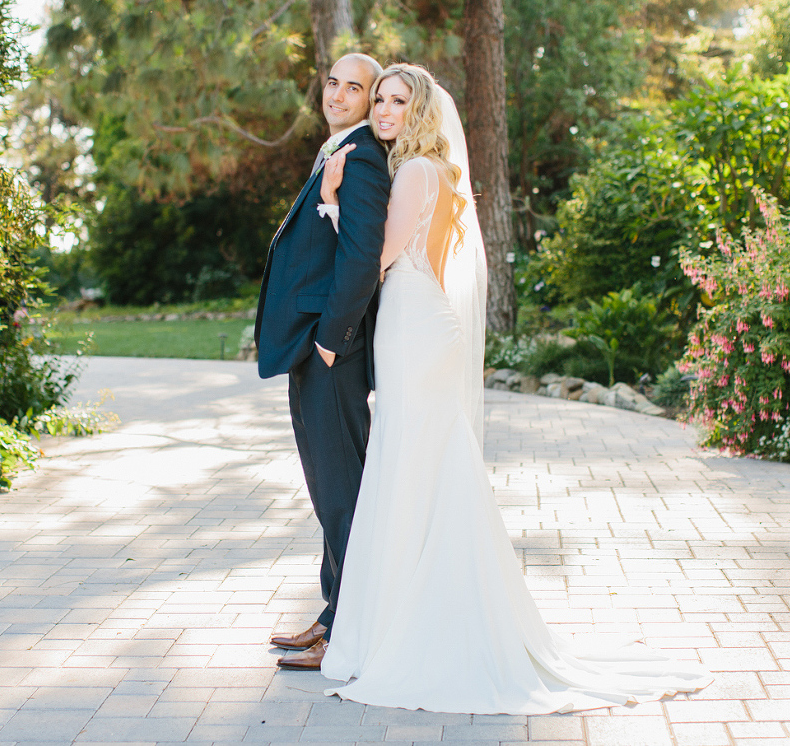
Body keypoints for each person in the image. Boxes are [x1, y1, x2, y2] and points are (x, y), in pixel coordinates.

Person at [286, 63, 711, 713]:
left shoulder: (420, 172)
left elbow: (374, 257)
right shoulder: (425, 171)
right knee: (420, 467)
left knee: (412, 464)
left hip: (414, 328)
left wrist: (335, 199)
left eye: (397, 100)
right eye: (379, 99)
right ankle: (410, 613)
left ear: (421, 110)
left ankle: (417, 627)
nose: (382, 109)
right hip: (414, 325)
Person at [254, 53, 390, 670]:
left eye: (354, 87)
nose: (337, 93)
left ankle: (348, 632)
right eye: (333, 81)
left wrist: (331, 338)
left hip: (331, 346)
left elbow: (361, 258)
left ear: (370, 99)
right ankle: (333, 612)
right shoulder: (339, 150)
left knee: (342, 490)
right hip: (314, 343)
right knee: (329, 487)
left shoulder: (361, 159)